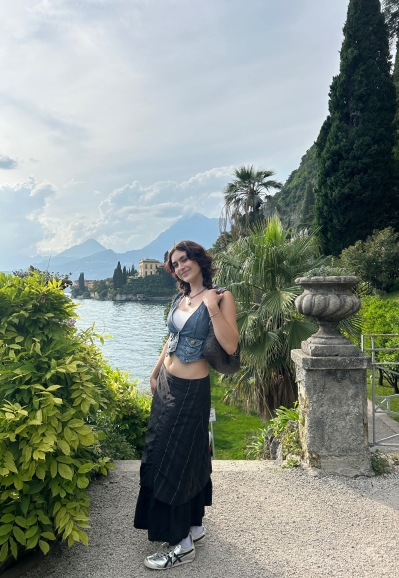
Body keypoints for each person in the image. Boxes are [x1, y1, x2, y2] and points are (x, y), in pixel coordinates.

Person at [134, 240, 239, 570]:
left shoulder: (221, 296)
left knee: (176, 460)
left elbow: (231, 343)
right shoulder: (181, 298)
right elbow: (171, 339)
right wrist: (154, 374)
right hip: (166, 384)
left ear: (198, 259)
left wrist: (211, 307)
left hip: (191, 391)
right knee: (162, 451)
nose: (180, 266)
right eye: (175, 263)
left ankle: (181, 545)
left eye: (184, 259)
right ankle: (193, 524)